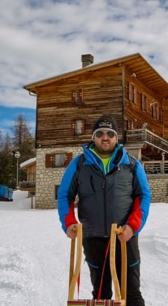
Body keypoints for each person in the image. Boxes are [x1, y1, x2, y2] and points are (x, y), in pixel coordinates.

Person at [57, 115, 151, 306]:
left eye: (110, 133)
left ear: (117, 138)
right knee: (101, 294)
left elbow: (143, 197)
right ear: (94, 137)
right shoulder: (79, 164)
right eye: (100, 133)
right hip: (93, 237)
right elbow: (65, 195)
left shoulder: (131, 165)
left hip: (124, 237)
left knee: (131, 293)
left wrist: (132, 227)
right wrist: (69, 223)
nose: (105, 137)